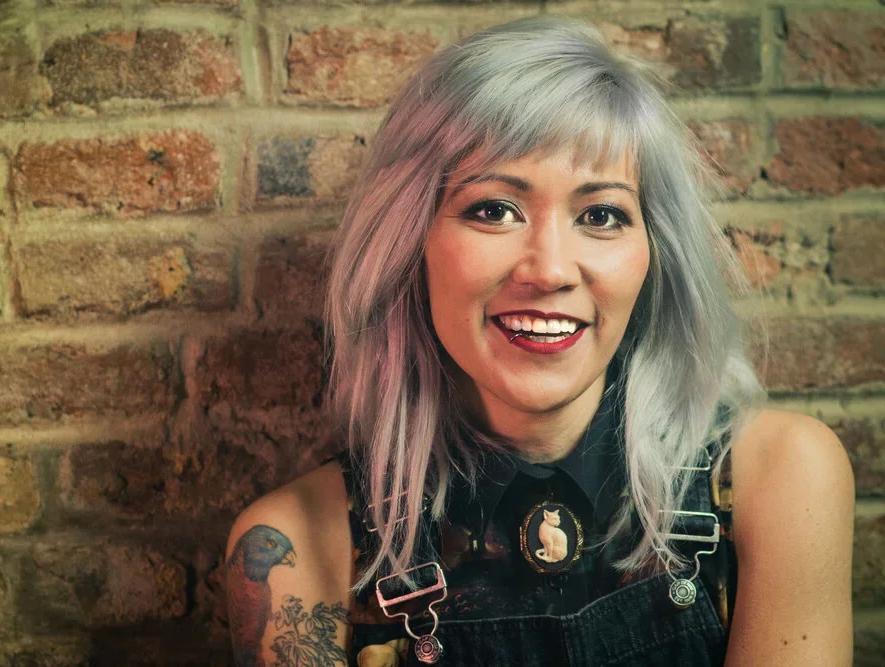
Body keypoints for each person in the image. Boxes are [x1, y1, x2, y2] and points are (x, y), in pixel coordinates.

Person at [226, 16, 854, 667]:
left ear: (652, 257)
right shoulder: (294, 546)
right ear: (410, 244)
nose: (549, 269)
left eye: (601, 215)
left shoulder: (779, 479)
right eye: (493, 209)